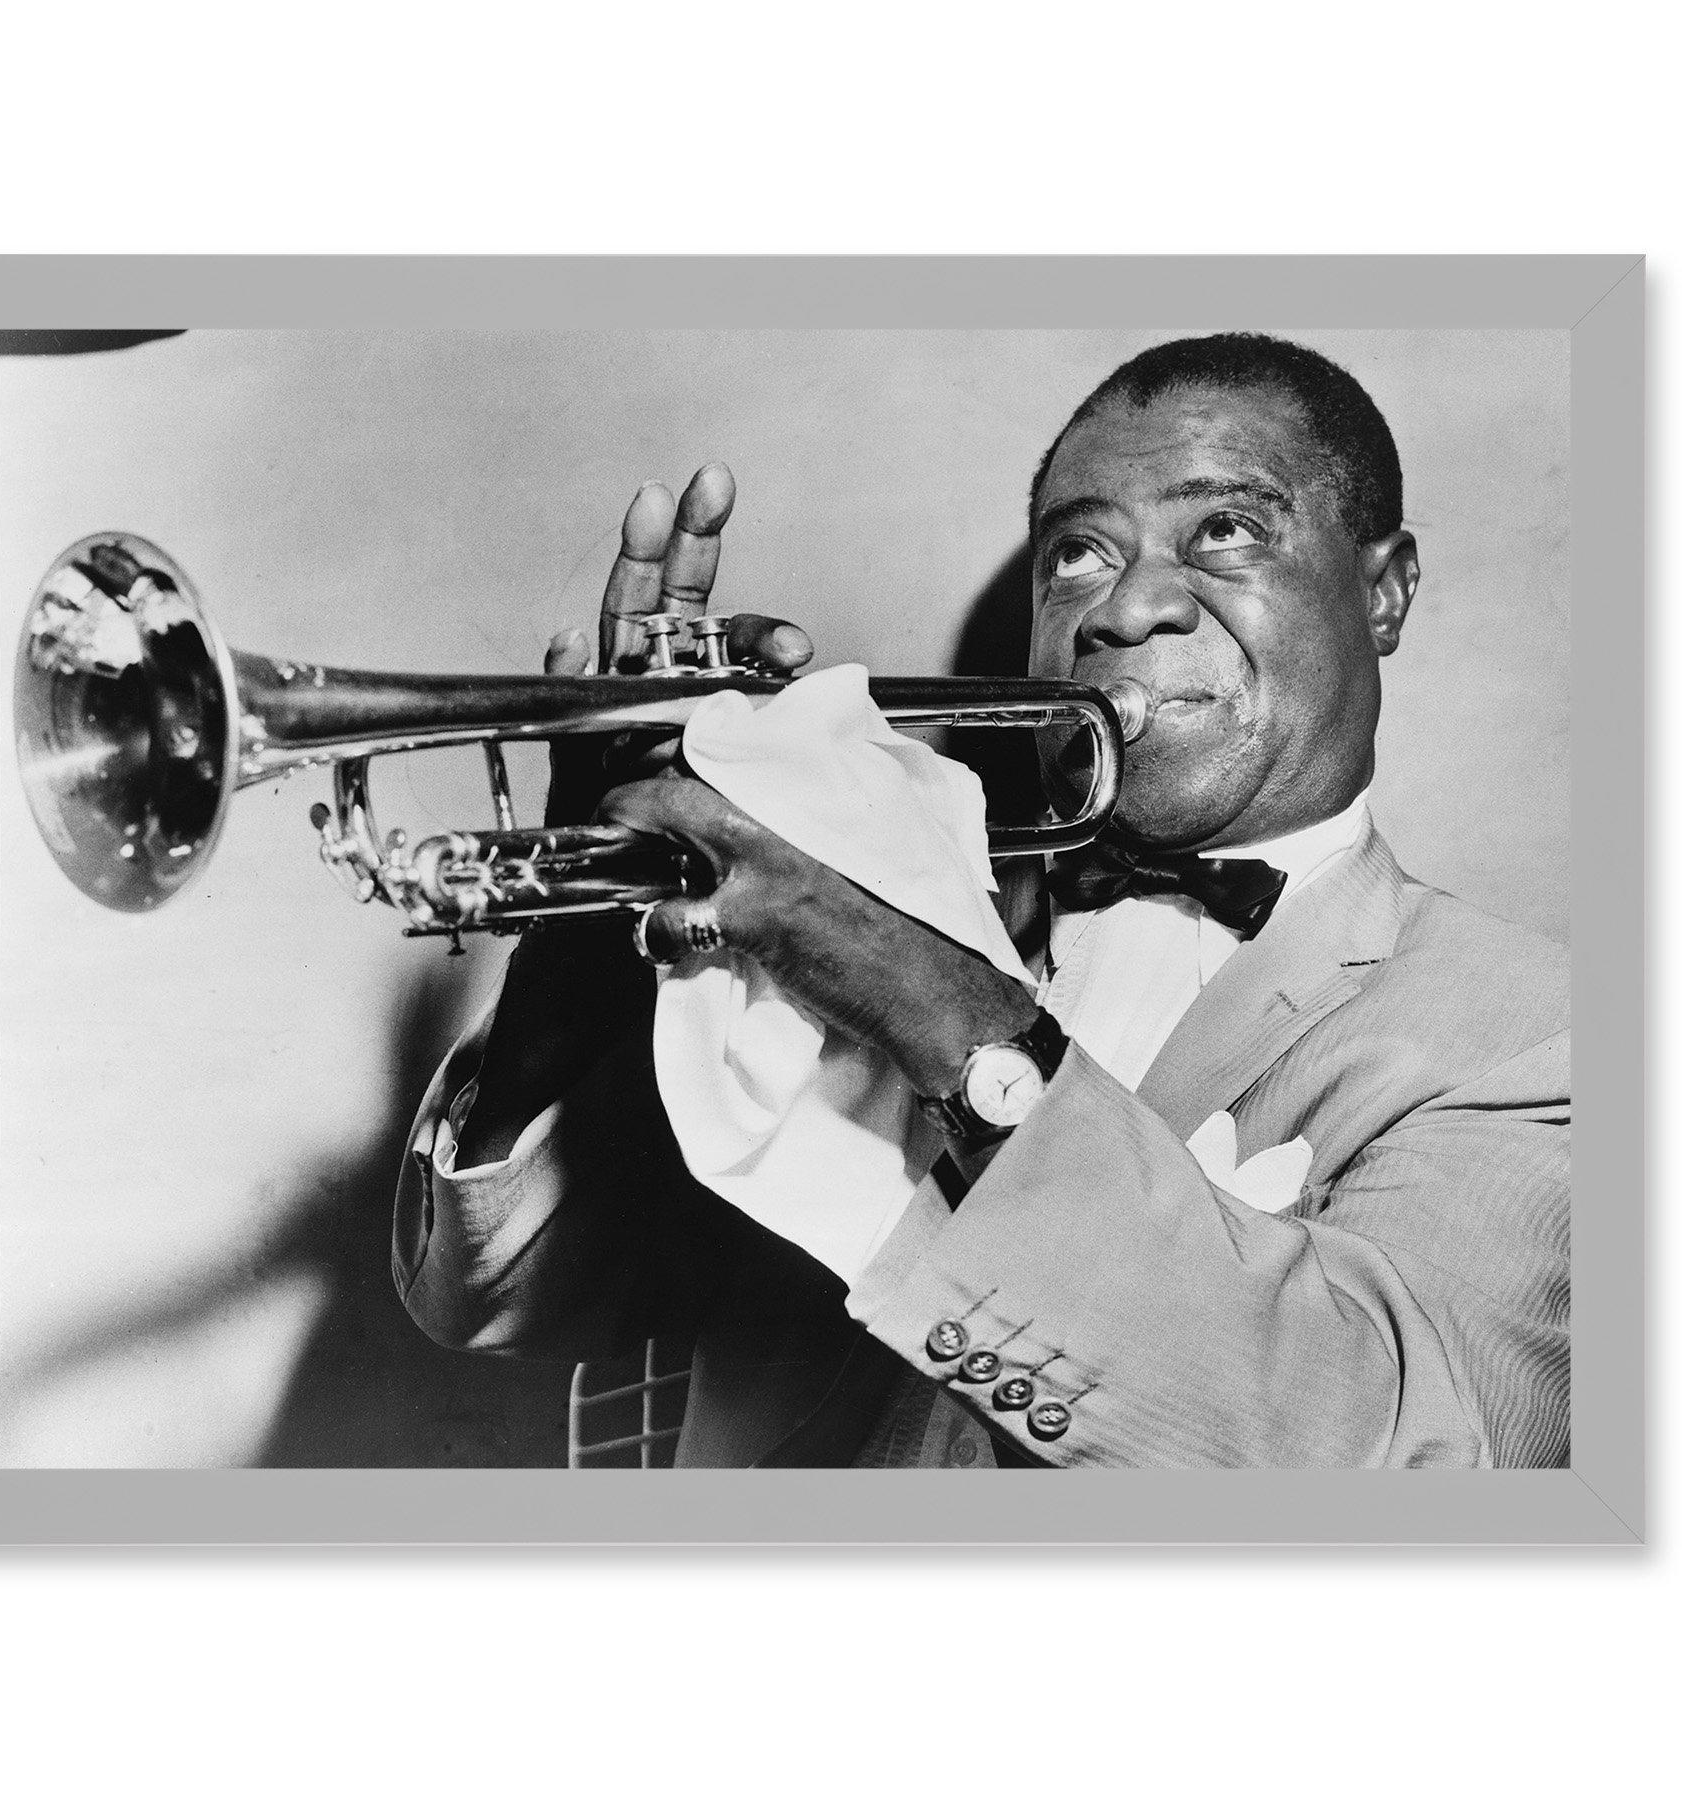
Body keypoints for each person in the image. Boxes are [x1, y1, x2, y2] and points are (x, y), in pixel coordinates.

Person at [393, 333, 1569, 1469]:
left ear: (1385, 593)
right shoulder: (884, 891)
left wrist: (943, 1012)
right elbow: (499, 1301)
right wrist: (580, 958)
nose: (1124, 609)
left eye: (1225, 531)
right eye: (1080, 555)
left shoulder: (1536, 1035)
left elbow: (1406, 1457)